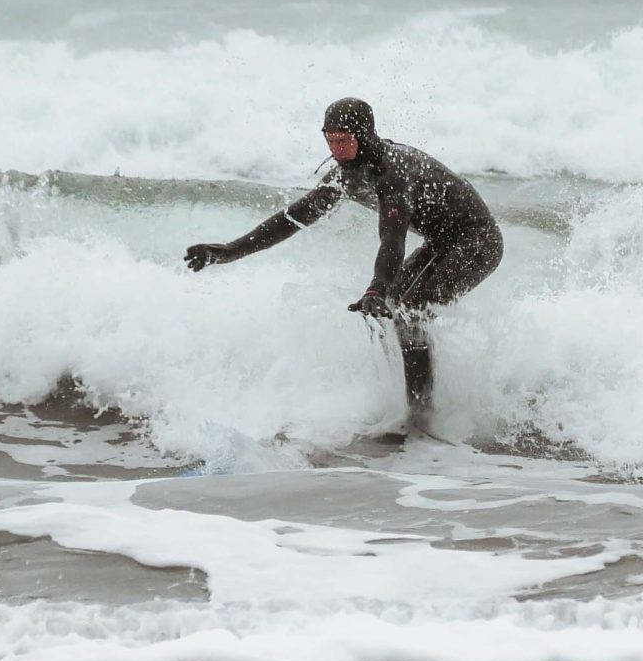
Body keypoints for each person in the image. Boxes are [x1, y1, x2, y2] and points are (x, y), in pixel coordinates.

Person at [184, 97, 503, 427]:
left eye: (344, 141)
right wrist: (228, 251)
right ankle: (408, 400)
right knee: (393, 306)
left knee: (411, 310)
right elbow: (293, 218)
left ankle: (422, 416)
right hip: (442, 243)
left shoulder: (392, 172)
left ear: (364, 136)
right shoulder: (345, 176)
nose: (336, 150)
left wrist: (375, 287)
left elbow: (392, 240)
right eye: (330, 139)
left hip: (477, 242)